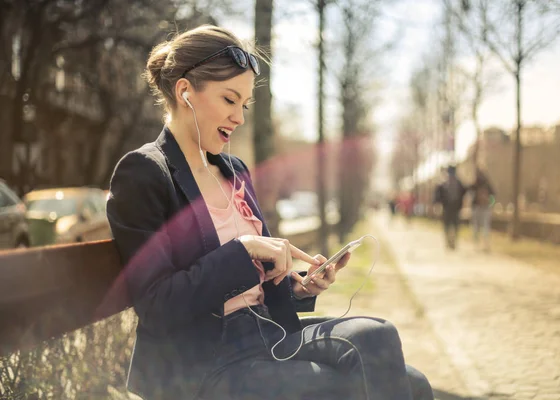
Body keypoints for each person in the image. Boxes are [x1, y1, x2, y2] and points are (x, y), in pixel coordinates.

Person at [106, 25, 433, 400]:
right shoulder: (145, 172)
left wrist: (298, 285)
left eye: (244, 105)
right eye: (229, 100)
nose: (239, 118)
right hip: (205, 363)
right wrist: (243, 250)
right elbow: (156, 305)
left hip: (267, 335)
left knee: (380, 337)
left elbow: (248, 283)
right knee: (395, 382)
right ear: (185, 92)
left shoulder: (235, 171)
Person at [433, 165, 466, 250]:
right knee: (454, 225)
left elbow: (437, 196)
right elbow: (464, 193)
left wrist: (437, 204)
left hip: (448, 208)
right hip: (454, 207)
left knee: (448, 225)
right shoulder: (458, 183)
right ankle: (452, 241)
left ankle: (449, 241)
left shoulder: (444, 183)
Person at [469, 168, 495, 252]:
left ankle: (476, 244)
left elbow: (470, 195)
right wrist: (491, 204)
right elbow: (493, 196)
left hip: (476, 208)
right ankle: (486, 244)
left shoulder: (474, 184)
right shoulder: (487, 184)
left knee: (476, 226)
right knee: (486, 226)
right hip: (486, 208)